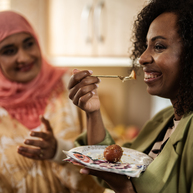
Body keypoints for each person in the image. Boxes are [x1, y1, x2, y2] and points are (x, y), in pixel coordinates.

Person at [68, 0, 193, 192]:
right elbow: (115, 163)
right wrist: (93, 112)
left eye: (159, 46)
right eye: (145, 46)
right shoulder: (164, 119)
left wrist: (125, 190)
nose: (142, 58)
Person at [0, 10, 106, 193]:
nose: (24, 57)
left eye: (29, 44)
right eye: (9, 51)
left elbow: (109, 157)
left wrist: (59, 151)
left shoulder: (71, 87)